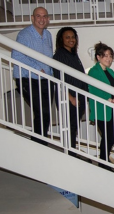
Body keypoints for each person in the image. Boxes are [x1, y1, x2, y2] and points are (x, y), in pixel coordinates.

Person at [12, 7, 54, 145]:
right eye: (38, 16)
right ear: (32, 18)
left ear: (47, 19)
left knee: (46, 113)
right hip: (28, 78)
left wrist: (51, 75)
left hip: (45, 79)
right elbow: (17, 56)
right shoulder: (24, 35)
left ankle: (40, 142)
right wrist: (37, 69)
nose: (41, 19)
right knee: (42, 112)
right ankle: (38, 144)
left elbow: (49, 58)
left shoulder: (47, 35)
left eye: (44, 16)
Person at [52, 27, 88, 156]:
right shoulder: (59, 56)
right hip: (69, 98)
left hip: (78, 97)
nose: (71, 40)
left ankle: (72, 151)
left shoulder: (73, 54)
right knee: (70, 127)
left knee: (73, 127)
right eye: (67, 37)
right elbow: (58, 79)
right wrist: (70, 97)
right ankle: (70, 154)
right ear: (61, 39)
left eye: (73, 37)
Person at [88, 42, 114, 170]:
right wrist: (109, 99)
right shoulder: (94, 71)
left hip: (112, 109)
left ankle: (104, 162)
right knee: (108, 137)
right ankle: (103, 163)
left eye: (110, 56)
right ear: (98, 57)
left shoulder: (110, 71)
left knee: (110, 137)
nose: (108, 59)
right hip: (102, 109)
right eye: (105, 56)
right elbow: (94, 89)